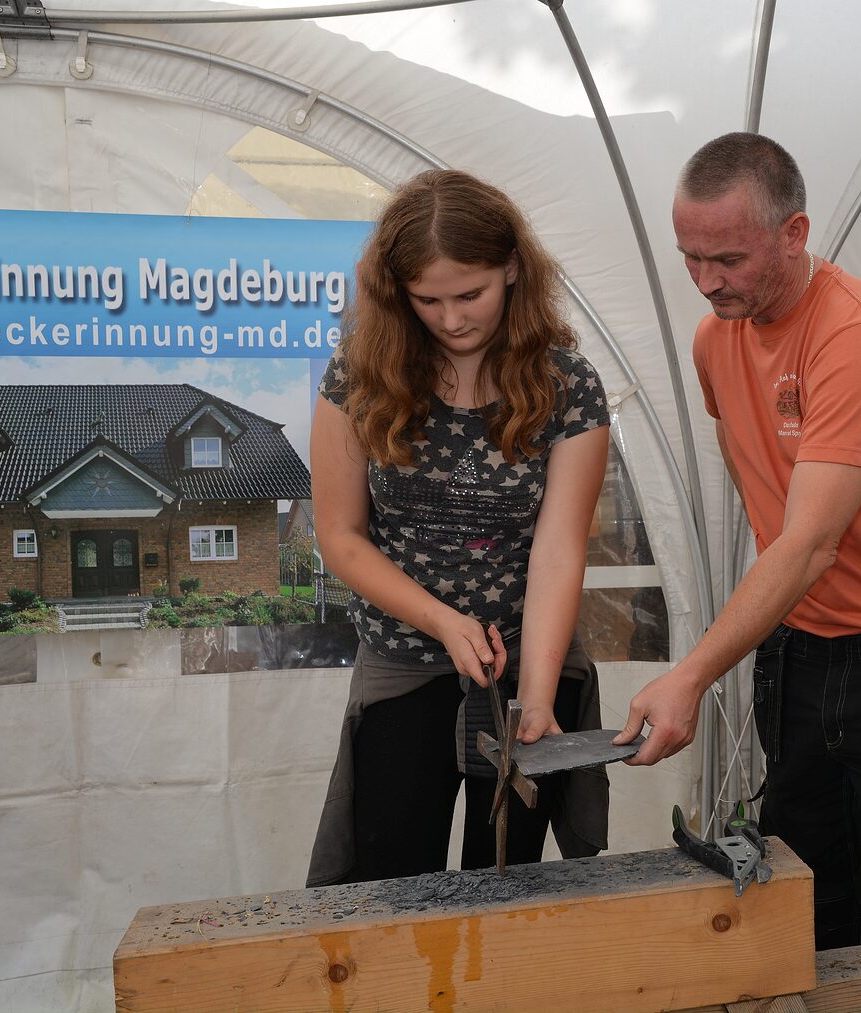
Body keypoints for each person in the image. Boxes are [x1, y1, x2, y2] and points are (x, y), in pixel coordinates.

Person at [615, 133, 861, 1008]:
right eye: (690, 257)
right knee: (800, 889)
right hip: (805, 648)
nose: (707, 281)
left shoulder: (858, 333)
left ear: (795, 233)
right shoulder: (718, 341)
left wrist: (693, 675)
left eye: (728, 257)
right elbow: (767, 493)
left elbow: (811, 540)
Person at [306, 169, 611, 887]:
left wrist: (535, 696)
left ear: (512, 268)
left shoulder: (568, 385)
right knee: (389, 874)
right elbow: (342, 536)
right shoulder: (359, 373)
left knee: (505, 881)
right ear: (395, 293)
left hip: (529, 657)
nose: (451, 319)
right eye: (427, 300)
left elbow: (559, 550)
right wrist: (442, 620)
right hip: (403, 660)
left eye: (469, 294)